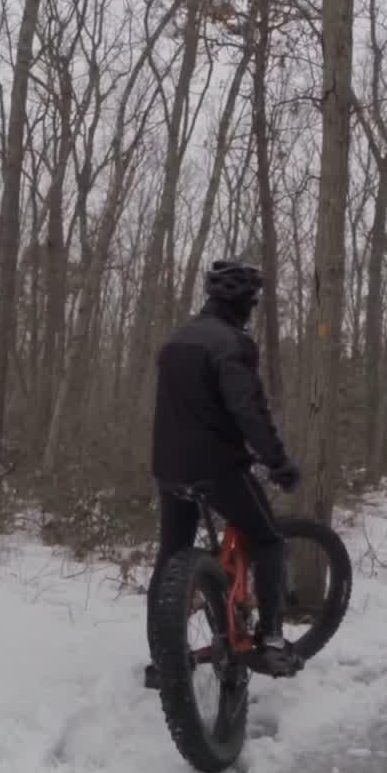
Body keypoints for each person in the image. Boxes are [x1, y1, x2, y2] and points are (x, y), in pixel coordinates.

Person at [147, 259, 302, 679]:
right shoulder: (233, 343)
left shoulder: (176, 339)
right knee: (268, 541)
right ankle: (270, 640)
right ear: (249, 302)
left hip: (168, 465)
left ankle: (163, 658)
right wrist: (278, 463)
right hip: (217, 467)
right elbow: (248, 410)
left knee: (171, 556)